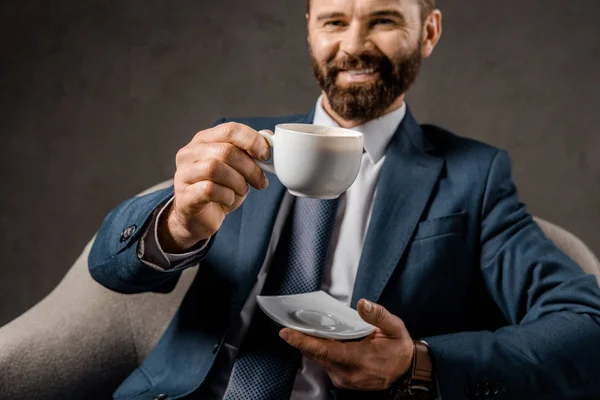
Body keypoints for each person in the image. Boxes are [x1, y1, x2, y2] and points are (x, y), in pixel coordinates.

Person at [88, 0, 600, 399]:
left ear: (428, 33)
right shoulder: (239, 143)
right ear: (309, 27)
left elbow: (586, 327)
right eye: (334, 21)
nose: (353, 46)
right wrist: (177, 225)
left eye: (382, 20)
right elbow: (109, 269)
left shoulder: (473, 177)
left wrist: (416, 362)